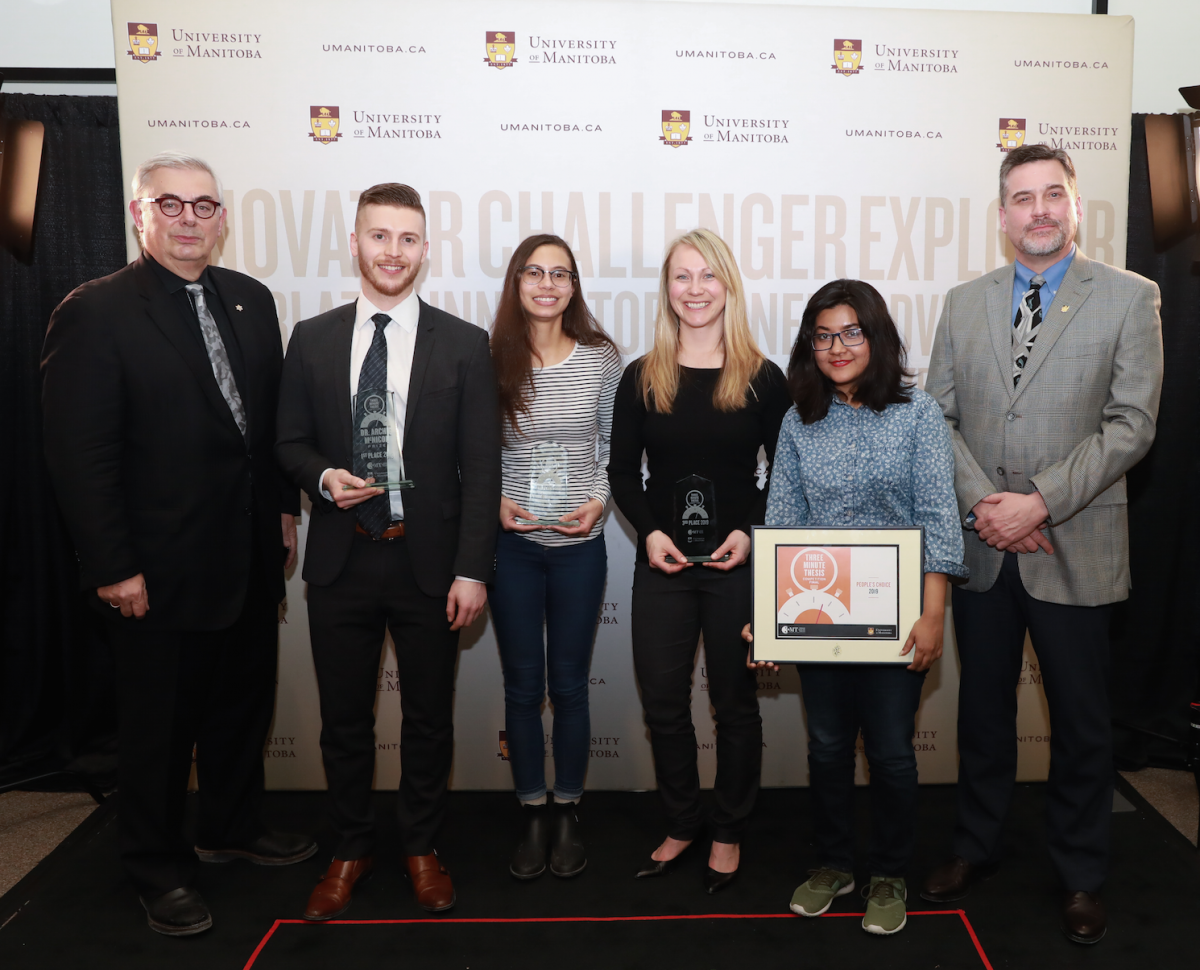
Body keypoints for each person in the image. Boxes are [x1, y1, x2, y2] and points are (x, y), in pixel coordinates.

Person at [40, 151, 315, 937]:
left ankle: (231, 827)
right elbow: (78, 455)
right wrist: (113, 565)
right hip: (153, 571)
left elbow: (262, 433)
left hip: (248, 555)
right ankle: (155, 867)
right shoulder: (95, 312)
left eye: (204, 206)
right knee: (158, 732)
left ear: (223, 218)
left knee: (239, 707)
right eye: (171, 205)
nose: (189, 219)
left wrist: (285, 511)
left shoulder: (252, 302)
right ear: (140, 214)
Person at [923, 145, 1163, 944]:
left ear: (1076, 205)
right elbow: (939, 418)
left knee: (1083, 725)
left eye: (1051, 194)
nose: (1038, 211)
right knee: (983, 715)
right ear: (1001, 216)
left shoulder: (1131, 298)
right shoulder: (963, 303)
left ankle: (1081, 872)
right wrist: (986, 508)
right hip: (985, 546)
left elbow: (1131, 425)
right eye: (1021, 198)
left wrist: (1039, 504)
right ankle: (976, 845)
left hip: (1075, 547)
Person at [275, 183, 500, 919]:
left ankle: (420, 847)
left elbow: (481, 467)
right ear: (356, 243)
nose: (393, 252)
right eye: (379, 236)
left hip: (428, 566)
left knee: (429, 719)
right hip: (342, 560)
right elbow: (288, 441)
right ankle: (348, 848)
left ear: (425, 250)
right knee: (344, 720)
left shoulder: (465, 344)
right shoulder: (310, 337)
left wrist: (472, 568)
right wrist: (318, 476)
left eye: (407, 239)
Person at [743, 279, 967, 936]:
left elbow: (936, 519)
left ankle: (890, 872)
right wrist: (770, 617)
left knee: (894, 751)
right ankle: (836, 864)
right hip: (818, 618)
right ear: (810, 345)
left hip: (898, 621)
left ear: (877, 336)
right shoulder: (798, 418)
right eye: (823, 334)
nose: (837, 346)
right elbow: (782, 520)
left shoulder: (916, 412)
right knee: (827, 747)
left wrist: (934, 615)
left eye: (851, 331)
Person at [608, 228, 791, 893]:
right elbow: (623, 473)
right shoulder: (642, 375)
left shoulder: (765, 379)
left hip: (736, 565)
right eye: (682, 277)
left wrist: (752, 530)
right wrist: (651, 534)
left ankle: (729, 828)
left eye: (707, 276)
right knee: (662, 702)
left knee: (734, 704)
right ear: (668, 289)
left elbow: (787, 475)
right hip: (662, 564)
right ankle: (682, 821)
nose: (694, 290)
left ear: (728, 286)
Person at [488, 234, 622, 880]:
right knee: (522, 686)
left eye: (560, 274)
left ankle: (567, 808)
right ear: (517, 283)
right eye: (534, 273)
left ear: (574, 285)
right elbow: (472, 450)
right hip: (512, 547)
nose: (547, 284)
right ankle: (530, 811)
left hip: (578, 547)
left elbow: (615, 450)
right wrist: (492, 501)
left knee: (568, 685)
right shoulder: (489, 359)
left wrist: (598, 502)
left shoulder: (600, 359)